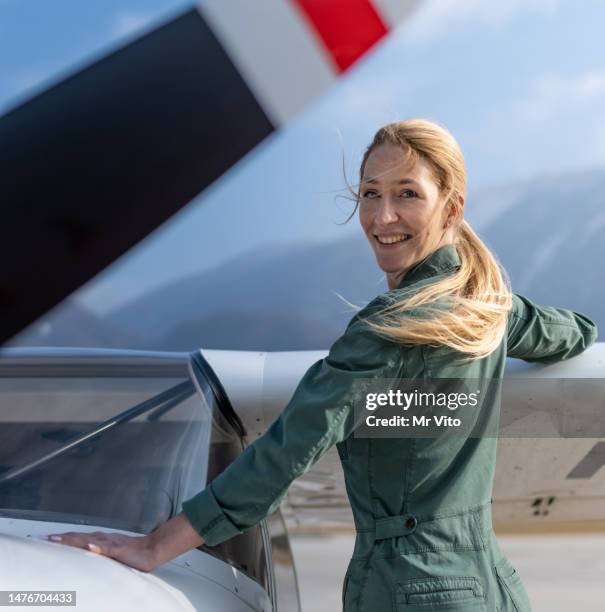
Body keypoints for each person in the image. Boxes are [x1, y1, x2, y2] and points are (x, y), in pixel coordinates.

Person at [47, 119, 598, 611]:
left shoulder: (386, 328)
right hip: (491, 588)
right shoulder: (489, 308)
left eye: (407, 194)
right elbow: (574, 332)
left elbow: (287, 448)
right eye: (370, 194)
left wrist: (156, 546)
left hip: (409, 590)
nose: (383, 217)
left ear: (450, 207)